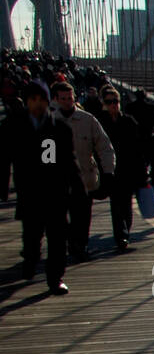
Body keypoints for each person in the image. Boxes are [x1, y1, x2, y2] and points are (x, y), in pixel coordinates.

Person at [0, 79, 78, 293]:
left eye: (41, 99)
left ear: (47, 101)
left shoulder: (58, 128)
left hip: (55, 192)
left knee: (57, 239)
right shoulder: (12, 125)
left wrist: (76, 187)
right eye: (33, 100)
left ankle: (55, 278)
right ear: (27, 101)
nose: (38, 104)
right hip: (29, 192)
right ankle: (30, 259)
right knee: (32, 237)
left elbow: (67, 161)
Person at [50, 80, 115, 263]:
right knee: (60, 219)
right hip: (58, 181)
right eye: (63, 99)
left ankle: (80, 245)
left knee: (82, 217)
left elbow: (104, 147)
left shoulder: (88, 120)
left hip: (85, 179)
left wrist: (108, 171)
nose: (67, 102)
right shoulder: (50, 121)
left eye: (70, 98)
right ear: (56, 99)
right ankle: (69, 242)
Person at [95, 86, 146, 252]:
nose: (113, 105)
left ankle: (125, 230)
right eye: (109, 102)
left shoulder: (129, 121)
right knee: (116, 203)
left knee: (127, 204)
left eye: (115, 101)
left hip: (128, 167)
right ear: (104, 103)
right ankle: (121, 235)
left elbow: (138, 147)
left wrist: (142, 169)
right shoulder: (99, 122)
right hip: (110, 169)